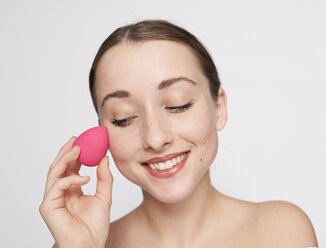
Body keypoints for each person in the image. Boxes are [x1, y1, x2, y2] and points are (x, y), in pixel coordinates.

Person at [39, 19, 318, 248]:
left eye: (178, 104)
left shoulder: (282, 231)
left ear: (218, 107)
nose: (155, 138)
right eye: (123, 118)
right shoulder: (82, 243)